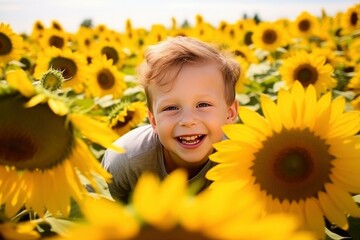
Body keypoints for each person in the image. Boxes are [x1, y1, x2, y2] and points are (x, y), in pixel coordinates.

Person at [101, 36, 240, 203]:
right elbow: (88, 215)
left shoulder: (242, 160)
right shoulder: (127, 161)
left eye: (203, 104)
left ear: (230, 113)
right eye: (171, 108)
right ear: (153, 120)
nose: (187, 120)